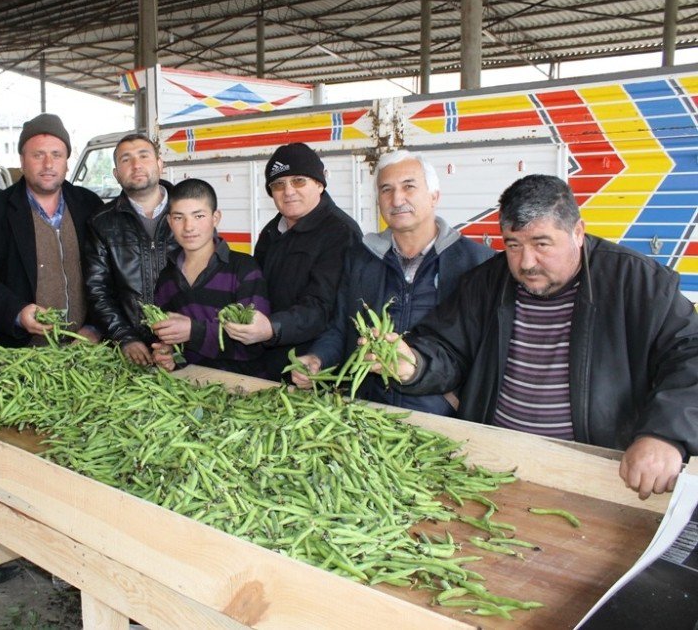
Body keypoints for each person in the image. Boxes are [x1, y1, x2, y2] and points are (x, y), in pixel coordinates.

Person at [383, 174, 698, 499]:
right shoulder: (486, 283)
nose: (526, 263)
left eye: (542, 244)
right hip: (494, 466)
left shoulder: (636, 282)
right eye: (513, 245)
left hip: (598, 473)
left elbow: (689, 355)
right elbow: (447, 347)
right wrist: (414, 365)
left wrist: (665, 434)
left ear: (577, 232)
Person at [291, 150, 494, 414]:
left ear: (434, 196)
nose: (397, 199)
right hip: (367, 413)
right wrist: (318, 358)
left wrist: (454, 399)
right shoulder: (361, 258)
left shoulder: (476, 263)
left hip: (442, 419)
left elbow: (487, 352)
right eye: (386, 190)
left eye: (409, 186)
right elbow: (340, 328)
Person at [223, 142, 361, 378]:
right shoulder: (271, 231)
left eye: (299, 181)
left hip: (311, 367)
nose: (288, 191)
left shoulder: (341, 232)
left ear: (319, 184)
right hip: (268, 359)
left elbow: (323, 307)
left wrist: (272, 328)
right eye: (278, 185)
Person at [0, 113, 104, 347]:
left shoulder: (90, 206)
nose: (48, 164)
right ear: (22, 160)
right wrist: (17, 312)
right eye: (38, 155)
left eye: (56, 155)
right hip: (23, 353)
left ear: (67, 161)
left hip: (85, 350)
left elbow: (108, 276)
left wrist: (95, 326)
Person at [150, 179, 270, 376]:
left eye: (199, 216)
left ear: (215, 218)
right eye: (179, 218)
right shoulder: (167, 278)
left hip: (244, 389)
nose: (188, 227)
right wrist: (169, 354)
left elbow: (255, 342)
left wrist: (193, 332)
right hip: (188, 387)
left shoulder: (243, 268)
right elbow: (175, 345)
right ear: (170, 221)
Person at [85, 133, 178, 365]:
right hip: (130, 353)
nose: (136, 165)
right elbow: (97, 290)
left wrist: (189, 333)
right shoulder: (101, 223)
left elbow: (211, 277)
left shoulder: (188, 210)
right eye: (126, 159)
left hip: (187, 345)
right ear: (116, 174)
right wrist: (125, 337)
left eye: (143, 156)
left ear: (160, 164)